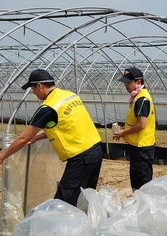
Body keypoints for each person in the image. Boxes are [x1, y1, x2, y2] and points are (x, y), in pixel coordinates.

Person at [0, 69, 103, 206]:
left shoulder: (48, 107)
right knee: (84, 198)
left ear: (40, 86)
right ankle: (84, 225)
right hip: (96, 152)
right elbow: (65, 127)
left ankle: (62, 227)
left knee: (63, 202)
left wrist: (2, 156)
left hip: (81, 158)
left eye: (32, 88)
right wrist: (37, 138)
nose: (33, 92)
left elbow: (23, 138)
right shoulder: (70, 96)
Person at [113, 67, 156, 191]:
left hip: (142, 147)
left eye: (129, 83)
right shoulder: (137, 98)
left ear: (138, 82)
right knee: (137, 180)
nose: (126, 86)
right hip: (137, 146)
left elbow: (141, 125)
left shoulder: (142, 100)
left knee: (142, 182)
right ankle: (139, 205)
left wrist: (123, 132)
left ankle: (144, 206)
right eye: (125, 83)